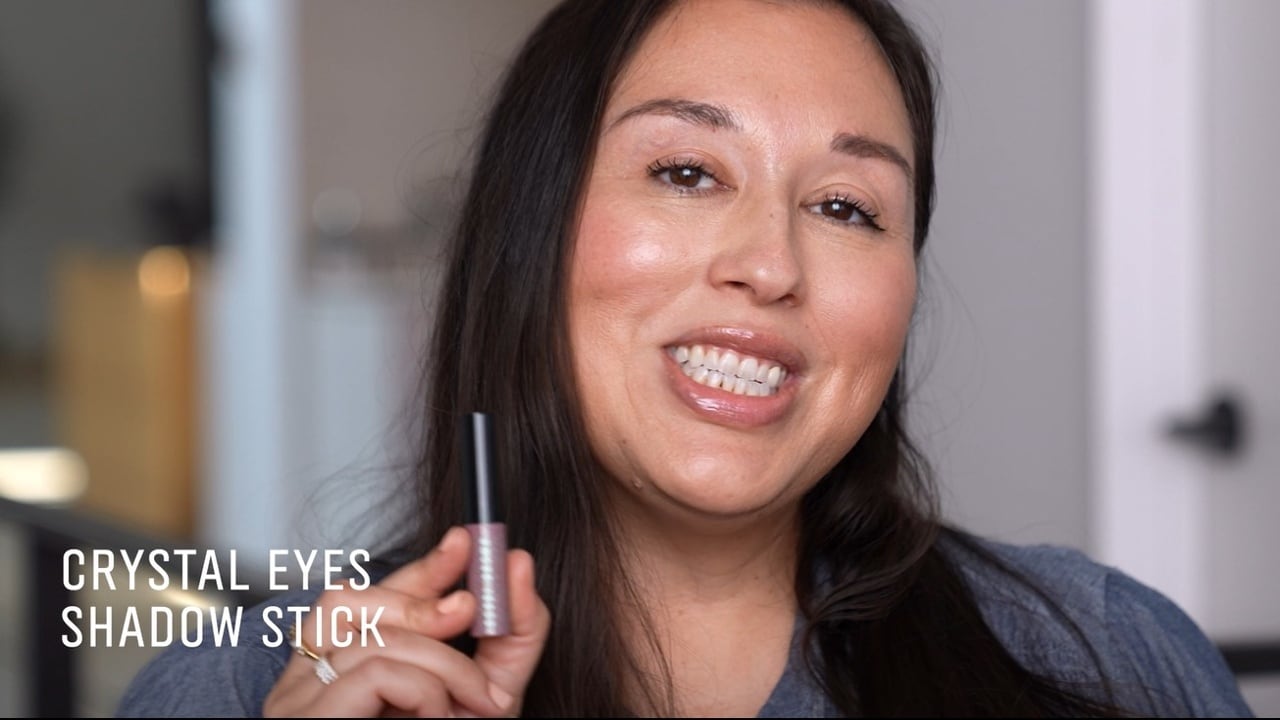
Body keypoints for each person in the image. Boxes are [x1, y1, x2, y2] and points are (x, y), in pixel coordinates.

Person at [119, 0, 1255, 716]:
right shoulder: (241, 686)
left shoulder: (1106, 657)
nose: (770, 265)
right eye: (686, 173)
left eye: (847, 207)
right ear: (532, 229)